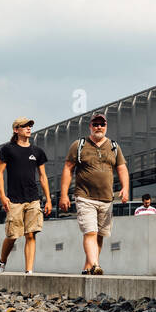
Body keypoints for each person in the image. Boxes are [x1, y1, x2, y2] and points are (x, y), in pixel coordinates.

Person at [59, 113, 129, 275]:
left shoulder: (113, 146)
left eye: (102, 124)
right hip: (85, 196)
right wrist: (64, 194)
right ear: (90, 126)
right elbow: (68, 169)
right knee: (90, 232)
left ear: (106, 126)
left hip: (106, 198)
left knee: (99, 236)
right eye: (95, 124)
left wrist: (125, 188)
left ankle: (88, 267)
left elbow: (122, 168)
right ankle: (96, 264)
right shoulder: (79, 145)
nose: (99, 127)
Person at [0, 118, 50, 273]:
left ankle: (29, 271)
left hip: (33, 198)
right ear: (16, 130)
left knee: (31, 234)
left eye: (30, 126)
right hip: (14, 200)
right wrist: (2, 196)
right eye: (24, 126)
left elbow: (43, 177)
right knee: (12, 236)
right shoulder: (8, 149)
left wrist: (48, 199)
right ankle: (2, 262)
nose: (28, 128)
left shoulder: (37, 152)